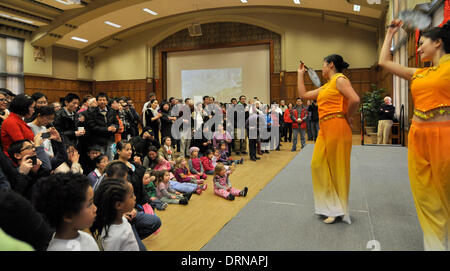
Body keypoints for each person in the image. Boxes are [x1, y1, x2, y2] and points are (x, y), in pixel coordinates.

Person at [378, 19, 450, 251]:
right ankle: (435, 244)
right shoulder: (418, 73)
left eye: (422, 43)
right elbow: (383, 62)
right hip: (418, 137)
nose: (417, 48)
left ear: (438, 42)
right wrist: (390, 33)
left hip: (445, 137)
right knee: (425, 193)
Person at [297, 54, 360, 225]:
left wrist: (347, 115)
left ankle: (338, 210)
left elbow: (355, 99)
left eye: (323, 64)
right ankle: (331, 206)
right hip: (324, 129)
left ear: (331, 65)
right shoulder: (326, 87)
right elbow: (303, 95)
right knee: (317, 165)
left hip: (338, 126)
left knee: (337, 169)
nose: (322, 68)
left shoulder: (340, 79)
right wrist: (300, 74)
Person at [32, 173, 99, 251]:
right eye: (90, 204)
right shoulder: (55, 249)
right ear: (68, 216)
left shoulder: (87, 238)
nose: (95, 208)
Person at [90, 178, 139, 251]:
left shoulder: (121, 218)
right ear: (118, 205)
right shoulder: (114, 237)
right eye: (131, 195)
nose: (135, 197)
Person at [85, 93, 119, 161]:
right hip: (98, 141)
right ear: (97, 101)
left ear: (107, 101)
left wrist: (115, 128)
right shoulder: (92, 112)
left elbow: (116, 123)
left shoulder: (112, 111)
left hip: (110, 140)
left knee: (111, 158)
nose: (102, 102)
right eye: (100, 100)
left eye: (104, 100)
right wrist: (106, 129)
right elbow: (92, 127)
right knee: (101, 159)